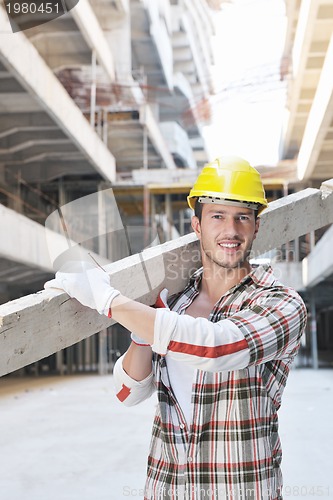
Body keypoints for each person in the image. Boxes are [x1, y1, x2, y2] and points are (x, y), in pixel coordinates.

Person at [45, 156, 307, 500]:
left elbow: (215, 348)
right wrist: (142, 333)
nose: (231, 230)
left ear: (256, 226)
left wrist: (107, 298)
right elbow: (128, 394)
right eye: (217, 216)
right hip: (169, 487)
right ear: (196, 225)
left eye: (243, 217)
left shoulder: (281, 304)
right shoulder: (178, 304)